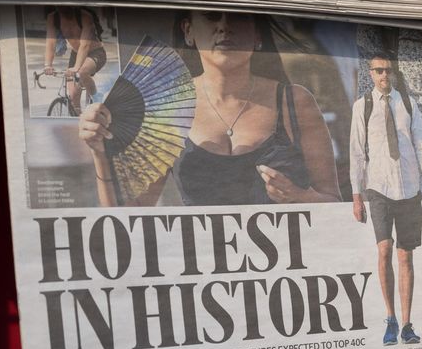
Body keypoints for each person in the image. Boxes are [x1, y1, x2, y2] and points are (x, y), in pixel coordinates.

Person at [78, 11, 341, 206]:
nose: (225, 27)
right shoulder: (167, 108)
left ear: (258, 33)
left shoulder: (295, 101)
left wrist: (301, 198)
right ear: (188, 31)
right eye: (212, 16)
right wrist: (100, 154)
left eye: (239, 17)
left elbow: (333, 202)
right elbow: (128, 219)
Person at [348, 53, 422, 346]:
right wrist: (356, 195)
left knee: (405, 256)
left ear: (393, 74)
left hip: (409, 187)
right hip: (378, 187)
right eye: (378, 71)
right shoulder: (363, 107)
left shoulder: (407, 104)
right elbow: (357, 153)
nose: (384, 76)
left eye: (388, 71)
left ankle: (407, 323)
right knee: (384, 249)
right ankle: (390, 318)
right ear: (371, 74)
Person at [44, 6, 107, 115]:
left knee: (82, 71)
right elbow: (51, 43)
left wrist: (77, 67)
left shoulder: (85, 16)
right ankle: (77, 117)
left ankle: (96, 96)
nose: (65, 10)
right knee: (73, 96)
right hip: (75, 54)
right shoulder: (53, 18)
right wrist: (48, 65)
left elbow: (85, 44)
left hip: (96, 52)